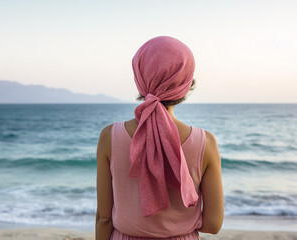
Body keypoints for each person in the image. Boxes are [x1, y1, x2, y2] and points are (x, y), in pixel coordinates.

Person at [95, 36, 224, 240]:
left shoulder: (109, 137)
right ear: (186, 84)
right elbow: (213, 224)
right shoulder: (205, 142)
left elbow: (104, 218)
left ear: (139, 79)